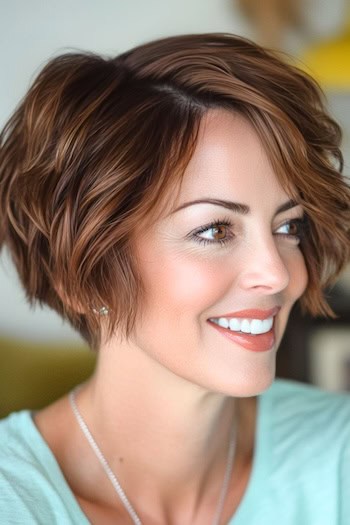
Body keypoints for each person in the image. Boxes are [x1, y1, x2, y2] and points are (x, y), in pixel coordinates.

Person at [0, 32, 349, 525]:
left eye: (288, 226)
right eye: (215, 230)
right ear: (83, 274)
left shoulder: (339, 454)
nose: (276, 273)